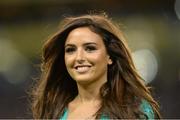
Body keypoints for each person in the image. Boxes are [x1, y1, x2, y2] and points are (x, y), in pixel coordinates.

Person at [31, 13, 161, 119]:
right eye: (71, 50)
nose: (79, 57)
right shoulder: (53, 111)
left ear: (109, 56)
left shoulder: (135, 109)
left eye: (90, 48)